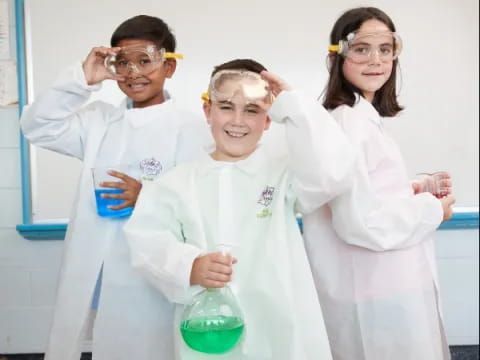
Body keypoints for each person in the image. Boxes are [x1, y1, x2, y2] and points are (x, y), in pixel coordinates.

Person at [124, 59, 357, 359]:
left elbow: (334, 173)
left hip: (279, 329)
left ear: (268, 119)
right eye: (226, 107)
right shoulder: (175, 183)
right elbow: (146, 239)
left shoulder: (284, 174)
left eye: (252, 110)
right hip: (208, 331)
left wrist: (295, 106)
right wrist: (189, 265)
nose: (238, 121)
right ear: (208, 112)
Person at [20, 15, 210, 360]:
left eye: (145, 61)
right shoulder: (98, 120)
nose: (134, 72)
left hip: (151, 269)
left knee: (150, 347)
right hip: (95, 260)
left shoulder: (190, 128)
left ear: (169, 67)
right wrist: (81, 81)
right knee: (99, 345)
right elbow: (37, 127)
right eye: (122, 63)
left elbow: (200, 202)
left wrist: (147, 196)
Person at [302, 7, 456, 360]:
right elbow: (361, 222)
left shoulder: (360, 117)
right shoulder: (347, 123)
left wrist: (415, 186)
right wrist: (435, 209)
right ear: (337, 57)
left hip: (382, 286)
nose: (376, 60)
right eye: (362, 49)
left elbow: (366, 191)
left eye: (386, 49)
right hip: (373, 293)